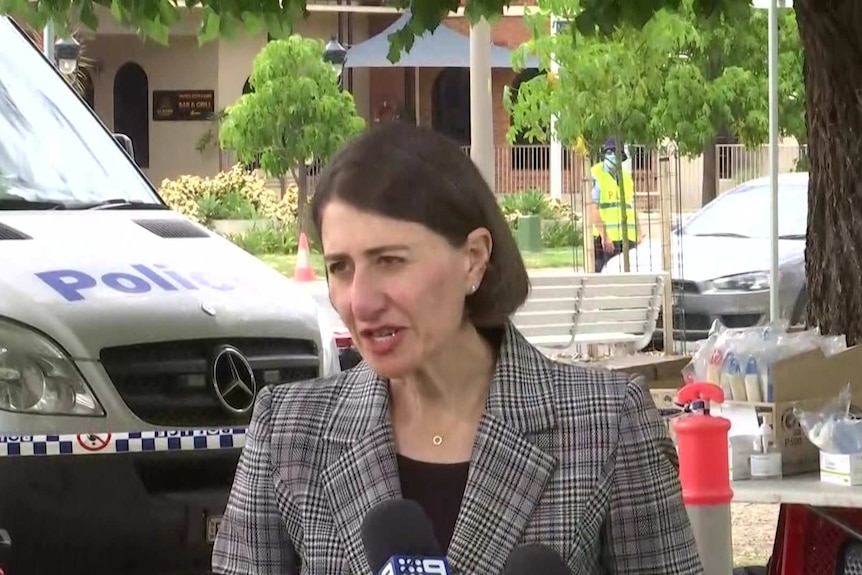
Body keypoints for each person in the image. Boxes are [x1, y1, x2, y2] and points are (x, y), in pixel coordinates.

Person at [212, 123, 703, 575]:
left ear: (473, 259)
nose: (360, 300)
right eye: (341, 267)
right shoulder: (289, 432)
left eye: (389, 260)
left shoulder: (606, 425)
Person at [588, 138, 645, 272]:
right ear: (604, 155)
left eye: (616, 153)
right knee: (607, 276)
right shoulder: (596, 174)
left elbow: (630, 207)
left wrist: (639, 232)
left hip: (627, 238)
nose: (613, 156)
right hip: (607, 241)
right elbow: (592, 209)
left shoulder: (625, 176)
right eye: (609, 153)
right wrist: (605, 235)